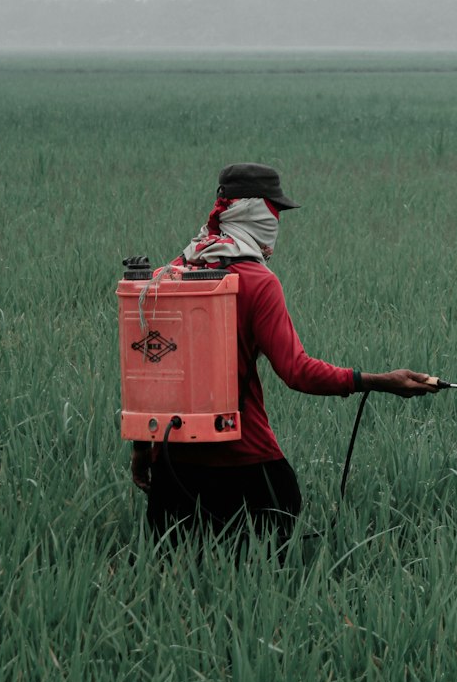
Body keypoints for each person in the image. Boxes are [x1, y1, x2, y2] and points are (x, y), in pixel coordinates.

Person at [132, 162, 437, 542]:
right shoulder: (259, 283)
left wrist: (143, 450)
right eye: (275, 210)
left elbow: (149, 372)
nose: (277, 221)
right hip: (245, 460)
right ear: (257, 211)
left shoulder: (170, 273)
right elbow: (297, 372)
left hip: (172, 463)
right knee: (263, 578)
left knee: (178, 579)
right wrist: (379, 381)